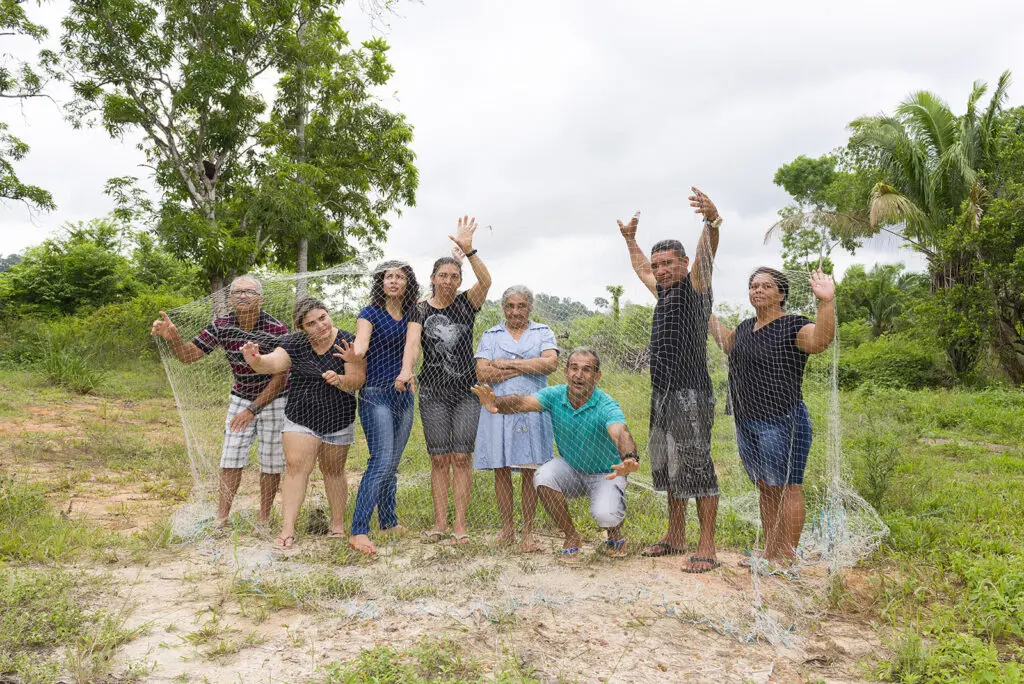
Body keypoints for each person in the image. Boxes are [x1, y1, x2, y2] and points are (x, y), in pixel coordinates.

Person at [618, 187, 723, 573]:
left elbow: (706, 256)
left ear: (683, 263)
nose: (660, 270)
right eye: (657, 265)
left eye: (668, 264)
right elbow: (641, 269)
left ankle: (707, 546)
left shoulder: (695, 290)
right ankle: (676, 535)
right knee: (669, 466)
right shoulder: (662, 293)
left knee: (697, 467)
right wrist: (631, 241)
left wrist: (711, 222)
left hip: (690, 394)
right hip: (661, 394)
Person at [709, 267, 835, 565]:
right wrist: (704, 310)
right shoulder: (745, 327)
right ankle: (770, 550)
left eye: (766, 286)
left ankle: (787, 556)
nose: (758, 290)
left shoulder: (793, 325)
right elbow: (727, 343)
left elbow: (819, 341)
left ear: (781, 294)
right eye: (753, 286)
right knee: (766, 486)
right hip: (747, 419)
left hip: (782, 419)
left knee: (788, 485)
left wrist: (826, 303)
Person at [472, 348, 639, 564]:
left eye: (587, 370)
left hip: (605, 474)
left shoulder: (606, 404)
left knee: (606, 515)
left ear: (597, 376)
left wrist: (630, 458)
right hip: (573, 469)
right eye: (574, 368)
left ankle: (614, 535)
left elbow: (620, 431)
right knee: (543, 476)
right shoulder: (555, 395)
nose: (579, 375)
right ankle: (571, 537)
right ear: (566, 372)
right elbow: (522, 402)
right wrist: (496, 403)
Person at [150, 275, 288, 528]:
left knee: (270, 460)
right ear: (230, 299)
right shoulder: (221, 325)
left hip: (274, 398)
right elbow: (189, 356)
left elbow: (281, 377)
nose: (242, 296)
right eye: (236, 292)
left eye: (249, 292)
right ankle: (221, 518)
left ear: (261, 298)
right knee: (231, 456)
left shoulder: (276, 328)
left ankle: (264, 519)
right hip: (240, 395)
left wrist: (252, 410)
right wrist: (175, 339)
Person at [240, 297, 365, 549]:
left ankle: (337, 526)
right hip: (301, 415)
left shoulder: (348, 341)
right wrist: (255, 360)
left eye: (323, 317)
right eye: (312, 323)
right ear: (302, 328)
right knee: (296, 467)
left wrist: (340, 379)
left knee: (333, 471)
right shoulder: (294, 343)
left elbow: (357, 379)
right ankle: (287, 530)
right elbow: (273, 362)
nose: (321, 325)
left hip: (338, 417)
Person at [398, 216, 491, 545]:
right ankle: (439, 524)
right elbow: (411, 345)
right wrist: (406, 370)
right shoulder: (419, 310)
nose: (449, 280)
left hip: (467, 392)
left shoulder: (469, 304)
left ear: (460, 279)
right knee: (439, 459)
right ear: (433, 278)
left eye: (455, 276)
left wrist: (469, 251)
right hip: (433, 393)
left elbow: (487, 280)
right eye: (443, 275)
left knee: (462, 457)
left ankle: (460, 526)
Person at [474, 285, 559, 552]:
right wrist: (526, 364)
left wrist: (508, 364)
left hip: (532, 408)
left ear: (530, 307)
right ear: (503, 308)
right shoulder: (491, 334)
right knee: (501, 469)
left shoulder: (542, 331)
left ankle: (528, 534)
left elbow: (550, 364)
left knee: (529, 468)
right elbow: (482, 374)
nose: (515, 311)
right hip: (497, 408)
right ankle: (507, 529)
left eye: (521, 305)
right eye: (510, 306)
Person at [349, 260, 421, 555]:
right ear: (381, 282)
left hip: (403, 393)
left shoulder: (413, 313)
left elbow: (412, 346)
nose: (393, 281)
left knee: (392, 463)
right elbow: (361, 344)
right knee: (380, 460)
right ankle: (358, 531)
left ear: (407, 282)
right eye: (388, 276)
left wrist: (406, 372)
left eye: (399, 277)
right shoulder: (369, 313)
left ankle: (389, 522)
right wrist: (357, 350)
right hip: (375, 393)